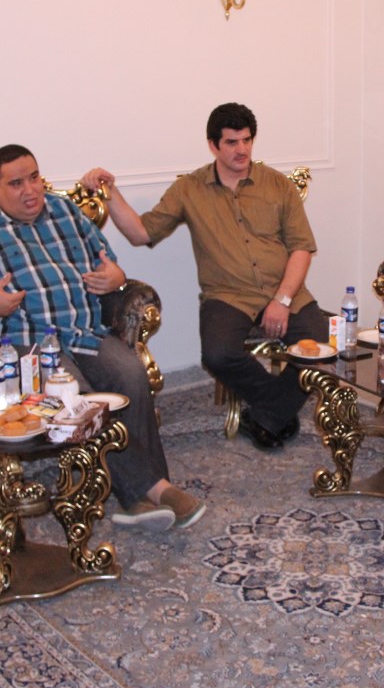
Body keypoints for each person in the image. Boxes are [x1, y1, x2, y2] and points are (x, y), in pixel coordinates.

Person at [0, 144, 205, 531]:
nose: (30, 190)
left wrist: (115, 278)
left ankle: (141, 494)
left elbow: (110, 265)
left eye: (34, 178)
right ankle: (151, 491)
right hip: (30, 343)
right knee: (81, 401)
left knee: (131, 376)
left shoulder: (65, 211)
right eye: (16, 183)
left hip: (85, 333)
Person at [80, 102, 325, 451]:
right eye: (232, 142)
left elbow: (301, 248)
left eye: (247, 140)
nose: (242, 150)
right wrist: (111, 192)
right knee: (218, 354)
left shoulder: (278, 185)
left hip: (285, 290)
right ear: (213, 145)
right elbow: (140, 232)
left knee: (321, 349)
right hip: (227, 295)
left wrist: (282, 301)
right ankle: (278, 409)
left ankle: (266, 416)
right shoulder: (190, 189)